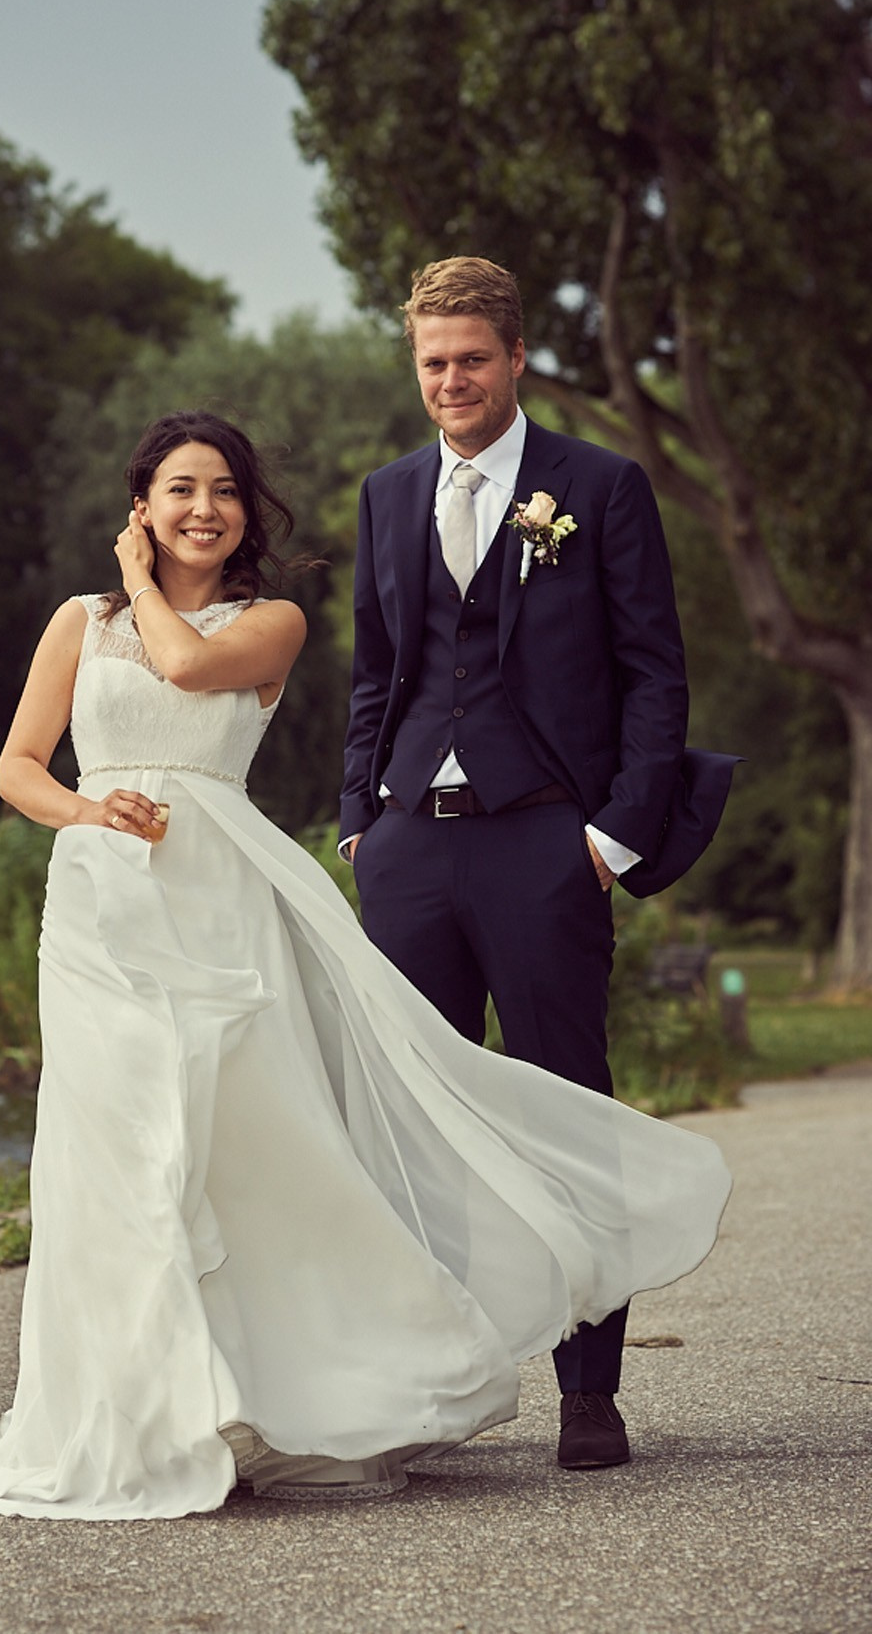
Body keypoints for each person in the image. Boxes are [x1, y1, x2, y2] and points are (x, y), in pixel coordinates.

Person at [0, 409, 730, 1522]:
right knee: (113, 1147)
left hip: (221, 900)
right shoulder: (73, 623)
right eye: (180, 488)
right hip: (102, 904)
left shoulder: (272, 619)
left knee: (241, 1145)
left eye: (224, 491)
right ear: (142, 500)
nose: (204, 508)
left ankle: (276, 1398)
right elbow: (16, 763)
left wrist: (135, 577)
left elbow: (188, 665)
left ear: (247, 512)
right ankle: (139, 1410)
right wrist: (86, 808)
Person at [340, 258, 736, 1470]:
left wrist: (613, 834)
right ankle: (437, 1391)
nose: (450, 380)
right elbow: (374, 670)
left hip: (546, 839)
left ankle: (589, 1394)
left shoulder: (599, 486)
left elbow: (653, 670)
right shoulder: (389, 492)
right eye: (432, 363)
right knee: (414, 1122)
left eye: (470, 359)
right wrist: (360, 814)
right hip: (409, 841)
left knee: (568, 1106)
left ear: (514, 360)